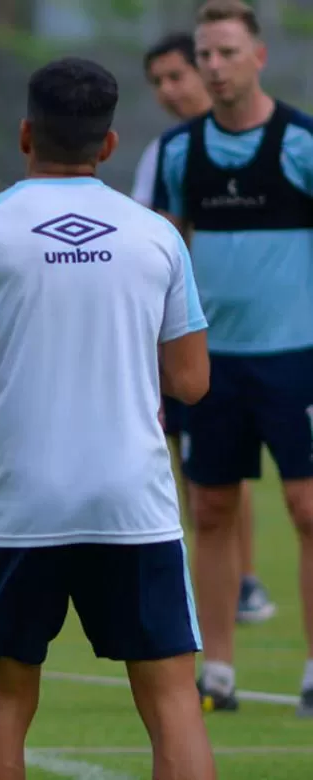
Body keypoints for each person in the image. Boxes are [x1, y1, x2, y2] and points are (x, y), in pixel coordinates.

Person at [0, 57, 216, 780]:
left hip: (24, 503)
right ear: (108, 146)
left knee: (3, 700)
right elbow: (191, 382)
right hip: (131, 501)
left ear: (25, 134)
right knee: (172, 700)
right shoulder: (157, 237)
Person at [152, 0, 313, 715]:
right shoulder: (181, 151)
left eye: (224, 53)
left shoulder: (303, 143)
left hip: (297, 360)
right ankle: (216, 669)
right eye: (204, 55)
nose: (212, 68)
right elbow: (163, 253)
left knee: (307, 507)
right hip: (212, 364)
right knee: (211, 507)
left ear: (258, 58)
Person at [134, 30, 277, 626]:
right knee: (195, 460)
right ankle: (226, 579)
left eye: (178, 75)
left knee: (236, 464)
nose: (170, 90)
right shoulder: (165, 153)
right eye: (159, 82)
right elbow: (146, 239)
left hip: (263, 336)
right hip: (182, 334)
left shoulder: (271, 145)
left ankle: (243, 579)